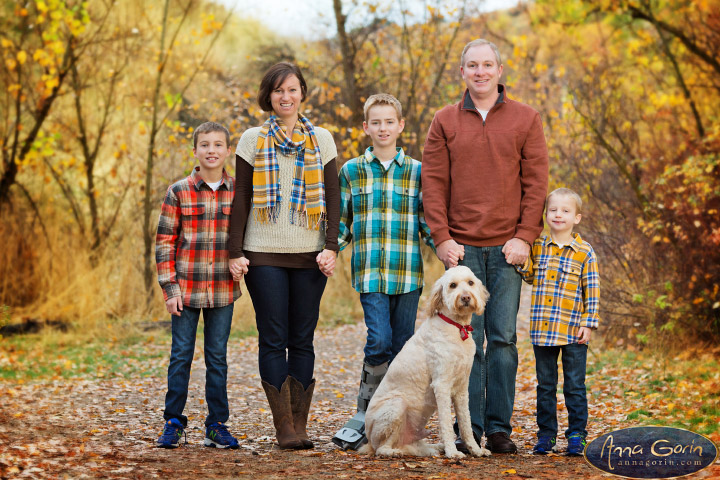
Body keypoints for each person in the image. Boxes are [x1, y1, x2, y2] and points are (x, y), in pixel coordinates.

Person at [422, 38, 549, 454]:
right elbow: (434, 185)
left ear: (499, 70)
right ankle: (469, 428)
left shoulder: (526, 119)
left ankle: (498, 428)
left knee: (503, 340)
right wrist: (442, 238)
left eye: (487, 65)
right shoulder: (444, 120)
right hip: (461, 253)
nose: (480, 71)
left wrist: (524, 237)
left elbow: (536, 185)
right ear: (462, 72)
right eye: (472, 65)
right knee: (464, 342)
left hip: (507, 249)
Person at [227, 62, 339, 450]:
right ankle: (284, 427)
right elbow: (241, 196)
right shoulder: (252, 139)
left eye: (292, 89)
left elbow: (333, 197)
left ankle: (301, 423)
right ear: (268, 96)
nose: (286, 97)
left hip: (310, 255)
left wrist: (331, 245)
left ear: (302, 93)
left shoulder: (322, 139)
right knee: (273, 338)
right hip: (263, 254)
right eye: (278, 91)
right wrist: (235, 250)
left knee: (302, 339)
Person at [331, 94, 434, 450]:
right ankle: (366, 414)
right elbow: (342, 223)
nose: (383, 128)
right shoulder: (352, 171)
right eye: (376, 122)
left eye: (389, 121)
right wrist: (330, 251)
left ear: (401, 125)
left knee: (404, 348)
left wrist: (448, 252)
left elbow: (426, 223)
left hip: (407, 274)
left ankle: (402, 420)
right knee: (378, 341)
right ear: (365, 128)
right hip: (371, 273)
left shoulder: (418, 171)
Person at [155, 121, 242, 449]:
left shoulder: (237, 191)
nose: (211, 150)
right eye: (205, 144)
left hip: (222, 290)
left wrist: (241, 259)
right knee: (180, 355)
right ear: (195, 150)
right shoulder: (179, 191)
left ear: (227, 151)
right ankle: (174, 421)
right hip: (185, 291)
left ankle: (217, 423)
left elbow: (245, 234)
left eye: (218, 145)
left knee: (217, 357)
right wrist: (170, 288)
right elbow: (165, 242)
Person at [516, 188, 599, 456]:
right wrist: (520, 258)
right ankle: (546, 436)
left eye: (565, 211)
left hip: (573, 330)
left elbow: (592, 290)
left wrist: (588, 323)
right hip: (544, 330)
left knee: (574, 385)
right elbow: (529, 276)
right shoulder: (538, 246)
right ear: (546, 214)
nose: (558, 214)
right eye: (553, 210)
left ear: (577, 217)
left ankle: (576, 435)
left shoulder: (584, 252)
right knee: (545, 386)